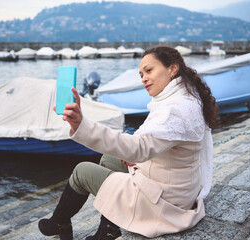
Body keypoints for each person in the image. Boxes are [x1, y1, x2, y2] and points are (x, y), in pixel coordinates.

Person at [38, 45, 218, 240]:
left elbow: (139, 148)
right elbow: (158, 148)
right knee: (110, 158)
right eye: (141, 74)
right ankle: (107, 231)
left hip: (165, 202)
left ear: (172, 69)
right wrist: (137, 158)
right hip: (177, 190)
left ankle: (59, 223)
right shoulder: (186, 98)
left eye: (149, 71)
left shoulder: (176, 110)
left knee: (82, 171)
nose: (144, 79)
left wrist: (82, 125)